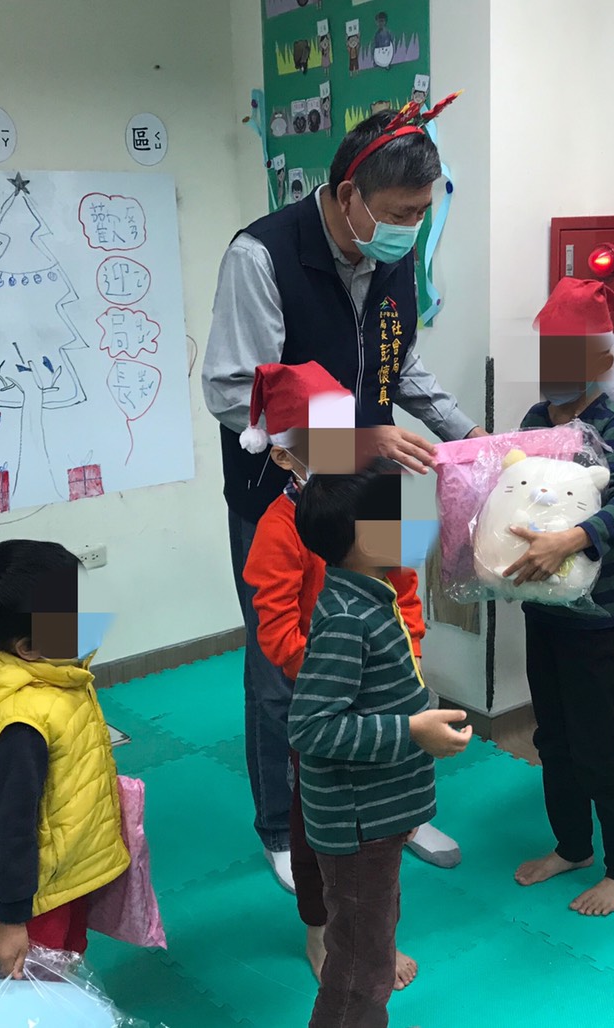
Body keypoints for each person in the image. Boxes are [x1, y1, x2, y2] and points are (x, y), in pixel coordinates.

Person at [202, 100, 481, 890]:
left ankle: (397, 802)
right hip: (282, 499)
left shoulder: (391, 253)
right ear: (350, 194)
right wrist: (356, 439)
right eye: (400, 212)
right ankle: (282, 827)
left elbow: (401, 366)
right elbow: (230, 391)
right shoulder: (262, 255)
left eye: (423, 213)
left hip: (371, 491)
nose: (412, 228)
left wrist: (471, 439)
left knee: (390, 641)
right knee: (283, 660)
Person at [240, 360, 456, 989]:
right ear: (284, 455)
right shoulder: (279, 527)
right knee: (319, 828)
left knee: (379, 826)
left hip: (382, 687)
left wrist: (404, 655)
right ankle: (321, 931)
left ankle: (374, 921)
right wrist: (332, 671)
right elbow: (277, 627)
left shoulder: (369, 501)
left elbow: (403, 584)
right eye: (319, 440)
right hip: (326, 694)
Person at [289, 464, 473, 1028]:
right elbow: (311, 727)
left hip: (377, 817)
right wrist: (413, 731)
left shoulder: (372, 594)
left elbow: (378, 696)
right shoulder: (348, 618)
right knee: (359, 972)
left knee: (375, 926)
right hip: (357, 825)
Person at [509, 278, 614, 916]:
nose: (555, 368)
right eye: (548, 352)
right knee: (553, 738)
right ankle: (572, 845)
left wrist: (572, 539)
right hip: (545, 606)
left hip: (601, 612)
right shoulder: (536, 420)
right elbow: (513, 492)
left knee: (595, 744)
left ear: (600, 358)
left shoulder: (613, 423)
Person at [0, 540, 128, 979]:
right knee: (35, 977)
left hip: (60, 871)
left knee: (66, 959)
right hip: (32, 893)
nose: (89, 618)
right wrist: (11, 919)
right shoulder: (22, 725)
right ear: (29, 648)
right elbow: (12, 825)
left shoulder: (55, 675)